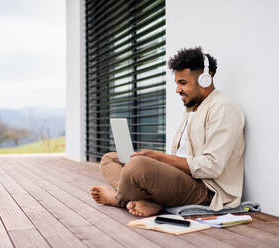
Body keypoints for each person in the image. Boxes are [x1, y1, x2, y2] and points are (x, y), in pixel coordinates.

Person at [91, 47, 245, 217]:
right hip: (182, 179)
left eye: (183, 83)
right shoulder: (193, 109)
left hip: (206, 189)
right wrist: (158, 161)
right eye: (177, 83)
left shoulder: (223, 108)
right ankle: (146, 201)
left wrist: (158, 157)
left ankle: (119, 198)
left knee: (137, 166)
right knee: (110, 159)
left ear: (205, 80)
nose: (177, 89)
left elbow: (212, 167)